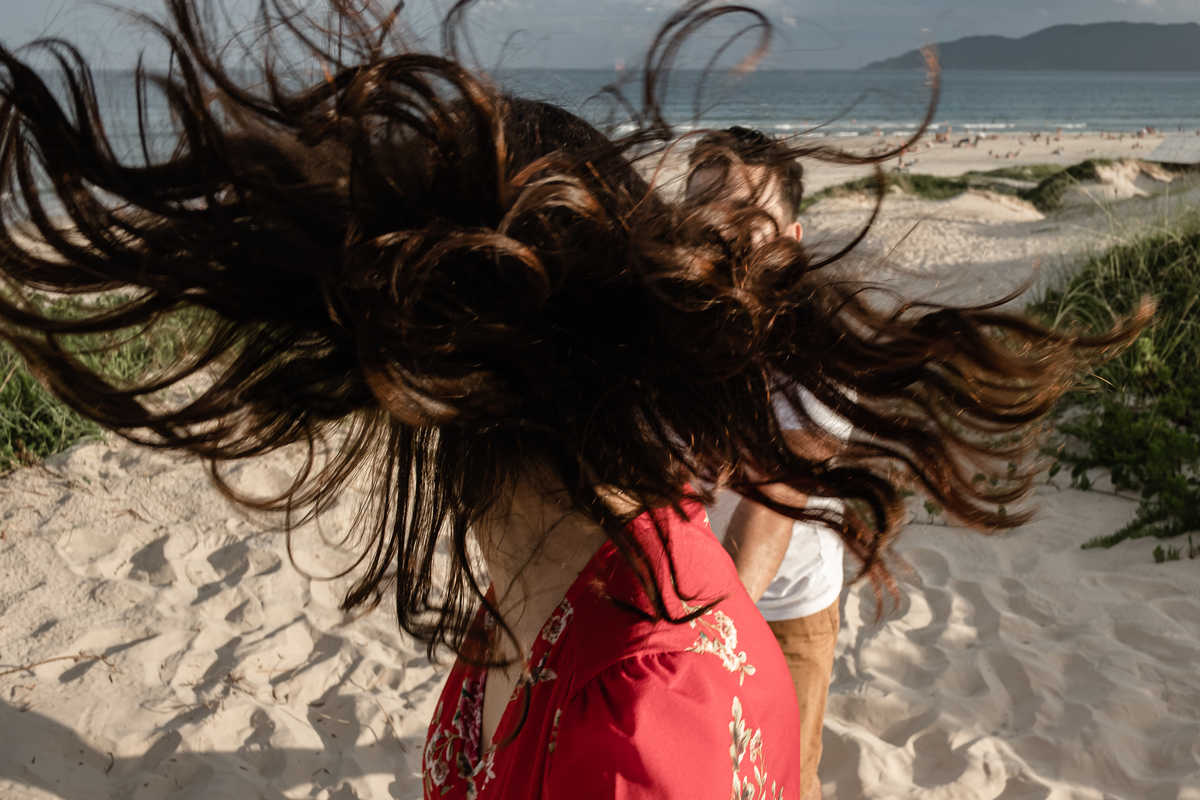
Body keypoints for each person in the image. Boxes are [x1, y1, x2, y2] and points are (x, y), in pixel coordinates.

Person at [0, 1, 1144, 797]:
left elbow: (772, 501)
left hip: (762, 603)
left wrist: (696, 627)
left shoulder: (638, 715)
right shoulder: (524, 615)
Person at [685, 127, 851, 800]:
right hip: (679, 590)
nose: (721, 231)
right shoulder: (669, 318)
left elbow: (771, 501)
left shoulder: (820, 349)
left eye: (748, 217)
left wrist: (706, 638)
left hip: (784, 603)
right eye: (703, 212)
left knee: (785, 773)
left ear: (791, 238)